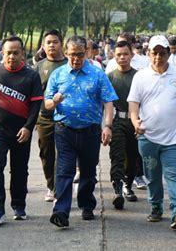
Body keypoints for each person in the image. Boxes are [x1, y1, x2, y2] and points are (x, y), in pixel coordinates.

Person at [128, 35, 176, 230]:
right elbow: (133, 104)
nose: (158, 57)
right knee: (152, 176)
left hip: (174, 138)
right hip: (147, 137)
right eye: (154, 53)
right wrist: (135, 121)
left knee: (173, 175)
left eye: (162, 53)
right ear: (148, 53)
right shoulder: (140, 76)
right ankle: (156, 206)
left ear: (169, 53)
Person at [45, 35, 117, 228]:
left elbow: (108, 101)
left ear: (86, 52)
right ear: (66, 53)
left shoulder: (97, 74)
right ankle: (61, 211)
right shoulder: (58, 75)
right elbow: (47, 103)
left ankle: (86, 204)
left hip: (90, 131)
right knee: (64, 171)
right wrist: (55, 101)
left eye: (79, 54)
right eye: (71, 55)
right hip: (64, 130)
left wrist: (107, 126)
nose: (75, 58)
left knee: (87, 172)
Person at [0, 36, 43, 227]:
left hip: (21, 131)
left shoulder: (31, 76)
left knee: (19, 170)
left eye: (16, 53)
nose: (12, 56)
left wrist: (28, 128)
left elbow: (35, 106)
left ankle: (19, 205)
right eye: (8, 53)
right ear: (3, 53)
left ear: (22, 54)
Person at [34, 29, 67, 202]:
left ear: (62, 44)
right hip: (44, 118)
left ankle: (58, 188)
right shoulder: (39, 67)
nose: (52, 45)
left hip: (66, 117)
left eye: (55, 41)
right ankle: (51, 185)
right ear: (43, 46)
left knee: (63, 153)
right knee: (46, 153)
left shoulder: (70, 64)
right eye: (48, 42)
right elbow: (32, 95)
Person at [107, 40, 139, 209]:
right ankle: (117, 189)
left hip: (134, 122)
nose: (122, 57)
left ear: (131, 55)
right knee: (117, 155)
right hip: (117, 121)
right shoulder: (110, 77)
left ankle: (129, 185)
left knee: (132, 156)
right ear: (114, 56)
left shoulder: (139, 75)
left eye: (125, 54)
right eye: (118, 54)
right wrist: (105, 126)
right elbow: (105, 103)